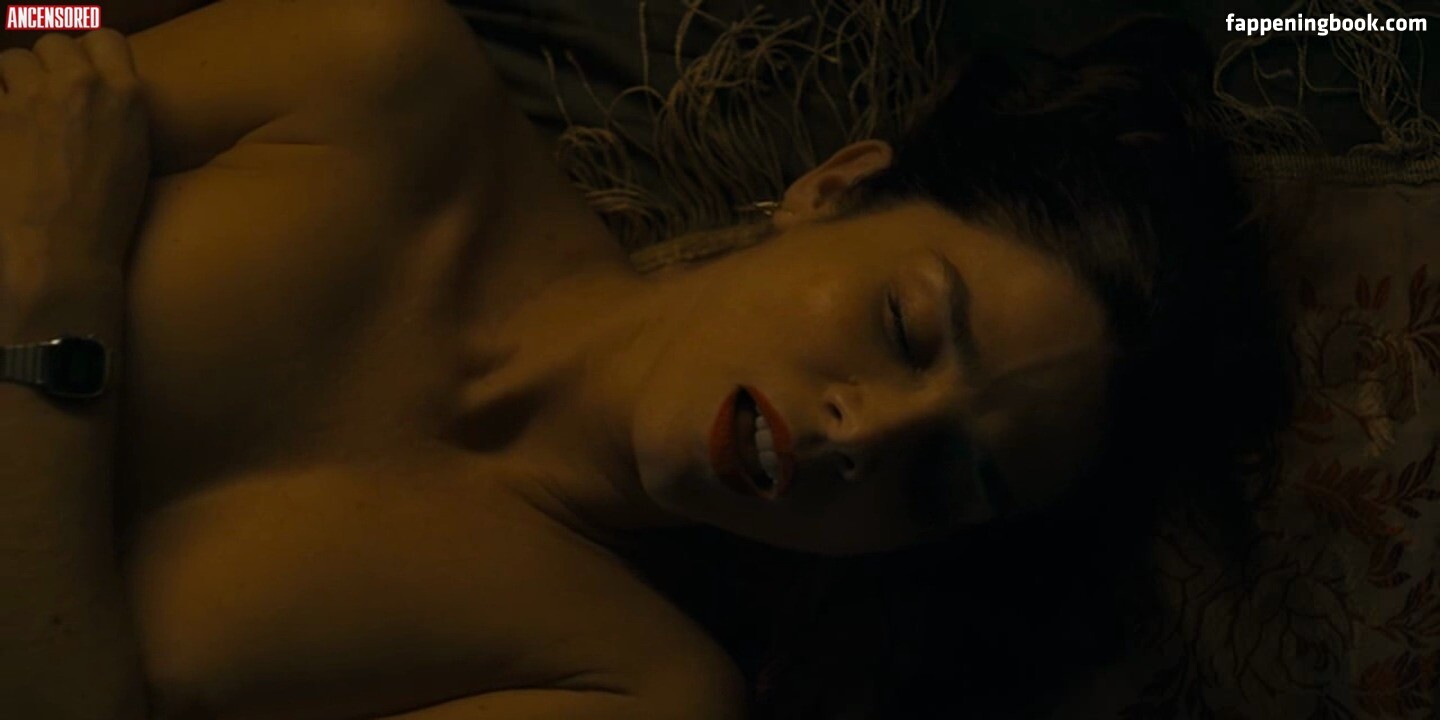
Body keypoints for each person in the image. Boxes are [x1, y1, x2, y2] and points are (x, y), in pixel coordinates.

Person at [0, 1, 1292, 718]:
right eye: (905, 327)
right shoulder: (373, 79)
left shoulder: (632, 689)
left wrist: (55, 309)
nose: (870, 432)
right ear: (835, 188)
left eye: (950, 477)